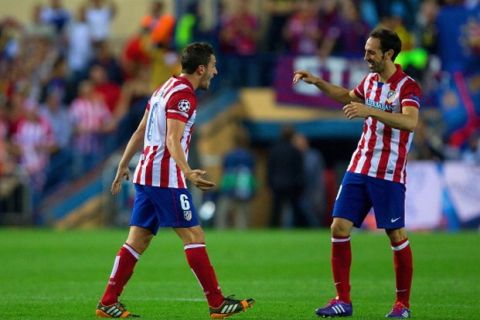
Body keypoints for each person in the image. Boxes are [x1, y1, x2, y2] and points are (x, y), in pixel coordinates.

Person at [96, 42, 255, 319]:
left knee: (138, 240)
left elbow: (139, 130)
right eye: (214, 66)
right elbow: (172, 137)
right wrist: (188, 170)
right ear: (201, 68)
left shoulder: (163, 88)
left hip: (146, 174)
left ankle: (108, 301)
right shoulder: (184, 96)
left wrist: (123, 165)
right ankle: (217, 303)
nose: (216, 72)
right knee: (194, 236)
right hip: (165, 177)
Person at [293, 28, 421, 318]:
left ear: (388, 54)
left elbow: (410, 122)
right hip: (359, 165)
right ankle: (343, 299)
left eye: (371, 52)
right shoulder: (370, 82)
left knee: (395, 234)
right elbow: (346, 96)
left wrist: (370, 112)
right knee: (338, 227)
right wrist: (318, 83)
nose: (366, 57)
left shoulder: (407, 86)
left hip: (388, 171)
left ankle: (402, 305)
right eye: (365, 50)